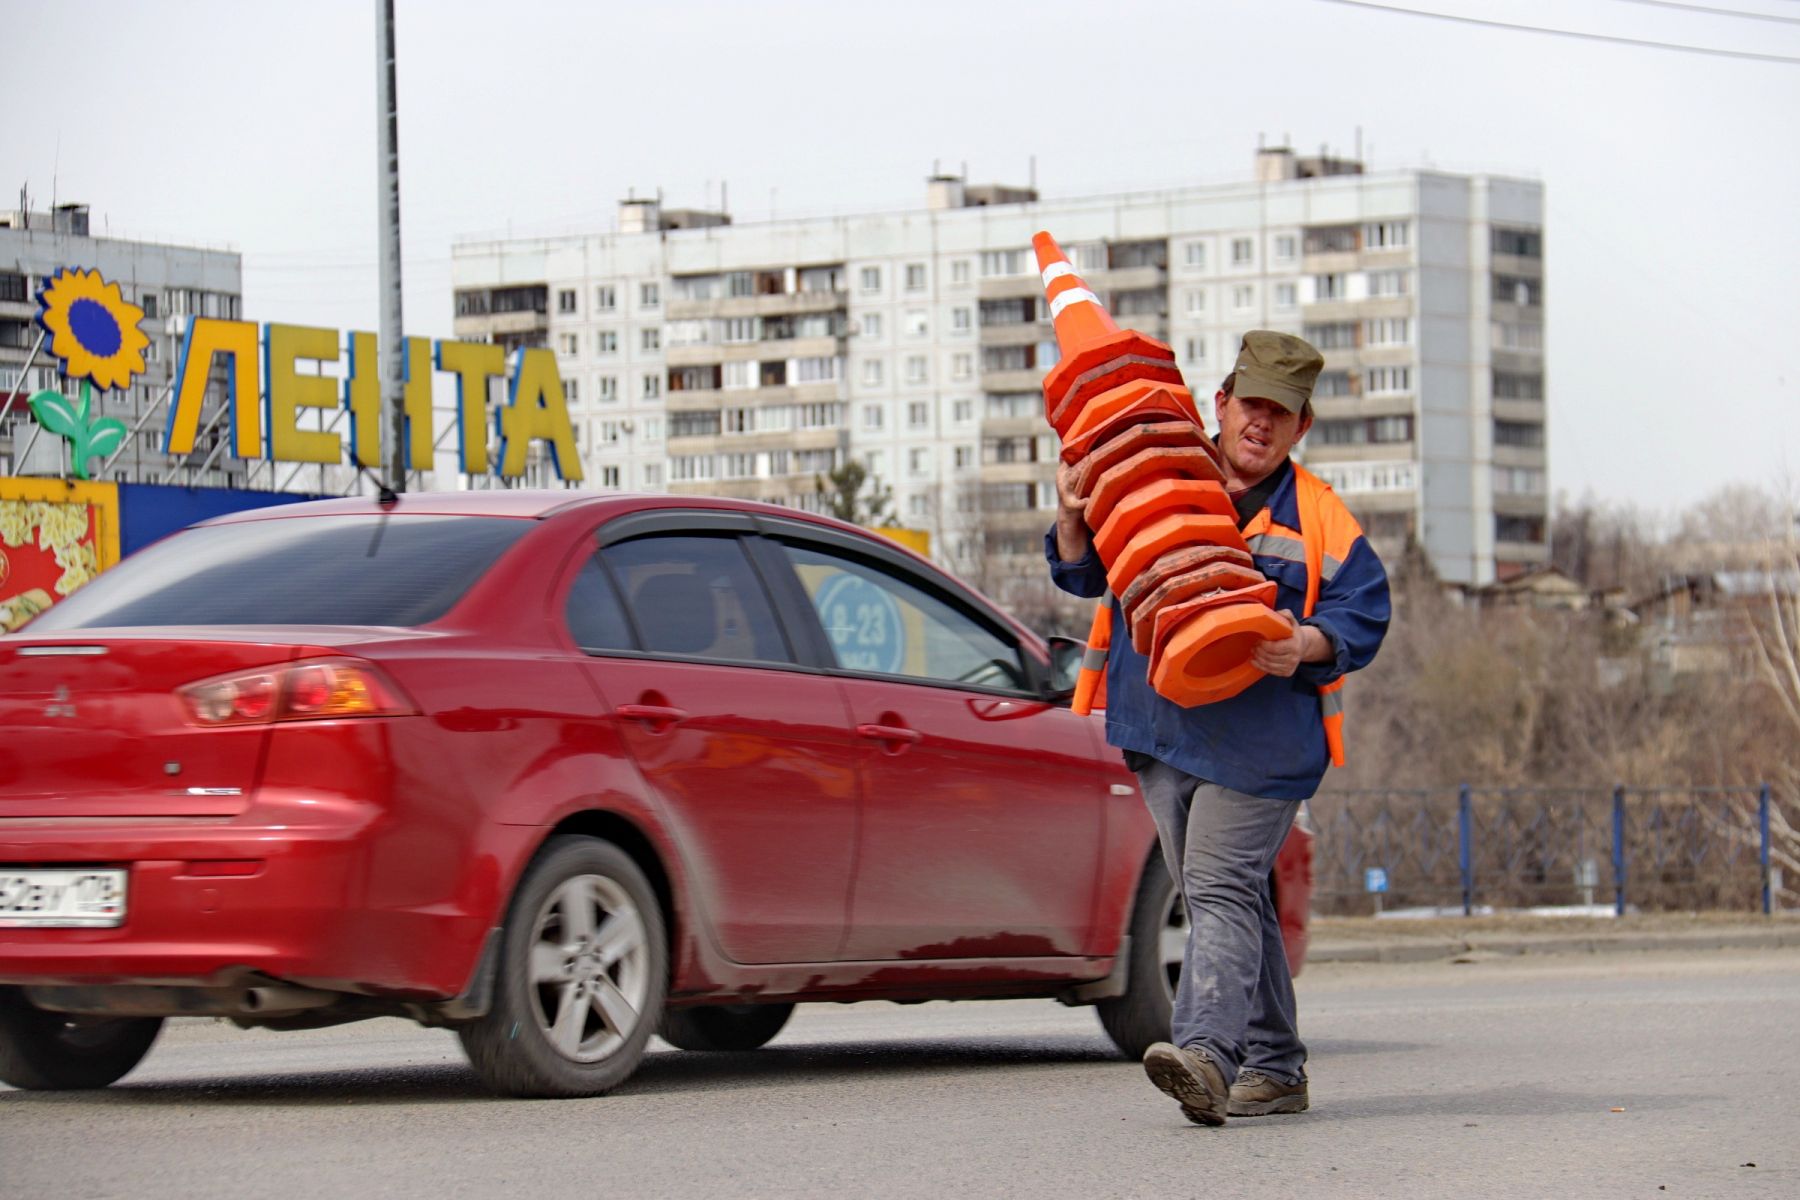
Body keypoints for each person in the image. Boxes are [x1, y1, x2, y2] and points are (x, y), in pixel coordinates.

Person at [1046, 330, 1391, 1125]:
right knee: (1232, 899)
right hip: (1160, 730)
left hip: (1261, 747)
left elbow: (1365, 613)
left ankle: (1205, 1053)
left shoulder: (1320, 518)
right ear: (1221, 403)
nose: (1260, 424)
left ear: (1301, 427)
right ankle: (1276, 1066)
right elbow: (1086, 569)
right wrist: (1071, 514)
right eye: (1251, 406)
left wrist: (1307, 643)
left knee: (1217, 887)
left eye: (1281, 412)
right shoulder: (1158, 468)